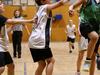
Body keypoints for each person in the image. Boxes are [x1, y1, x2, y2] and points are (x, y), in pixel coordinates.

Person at [28, 0, 69, 75]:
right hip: (41, 40)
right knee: (51, 61)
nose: (50, 0)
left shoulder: (38, 9)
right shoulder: (45, 7)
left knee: (42, 64)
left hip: (32, 40)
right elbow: (61, 3)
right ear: (42, 1)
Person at [0, 1, 33, 75]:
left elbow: (4, 32)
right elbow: (12, 21)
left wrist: (11, 27)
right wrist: (30, 20)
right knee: (1, 68)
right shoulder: (0, 17)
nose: (3, 5)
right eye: (1, 4)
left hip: (4, 48)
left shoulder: (2, 19)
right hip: (0, 48)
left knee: (11, 66)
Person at [69, 0, 100, 75]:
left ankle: (88, 62)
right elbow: (72, 6)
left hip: (96, 29)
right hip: (85, 24)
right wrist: (70, 9)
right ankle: (85, 63)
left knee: (93, 55)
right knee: (94, 37)